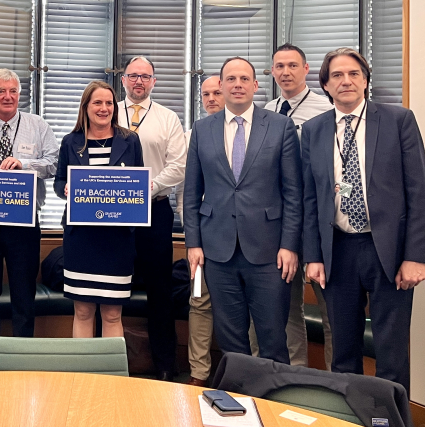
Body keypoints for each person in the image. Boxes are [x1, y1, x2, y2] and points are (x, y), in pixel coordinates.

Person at [302, 47, 425, 394]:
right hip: (337, 251)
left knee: (391, 353)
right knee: (343, 352)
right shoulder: (313, 130)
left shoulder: (398, 120)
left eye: (354, 74)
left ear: (366, 80)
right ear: (325, 85)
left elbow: (419, 190)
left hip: (388, 250)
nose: (346, 81)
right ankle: (349, 417)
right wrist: (313, 255)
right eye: (337, 75)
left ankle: (391, 420)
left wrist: (416, 256)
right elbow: (311, 198)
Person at [184, 57, 302, 364]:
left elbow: (293, 193)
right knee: (231, 340)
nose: (237, 84)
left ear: (255, 85)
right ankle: (239, 405)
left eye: (244, 79)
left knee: (272, 338)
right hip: (217, 250)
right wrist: (193, 244)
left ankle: (276, 405)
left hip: (269, 251)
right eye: (231, 79)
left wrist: (290, 245)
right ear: (220, 86)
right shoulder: (202, 129)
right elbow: (192, 192)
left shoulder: (280, 126)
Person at [0, 68, 58, 348]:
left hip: (24, 224)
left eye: (13, 91)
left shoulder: (38, 125)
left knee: (23, 292)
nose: (8, 97)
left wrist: (25, 164)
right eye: (1, 91)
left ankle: (22, 355)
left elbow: (54, 163)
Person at [260, 43, 334, 369]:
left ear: (306, 69)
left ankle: (337, 385)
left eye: (292, 66)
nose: (285, 72)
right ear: (272, 71)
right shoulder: (266, 111)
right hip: (281, 225)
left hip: (319, 223)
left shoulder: (325, 110)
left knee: (331, 310)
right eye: (279, 66)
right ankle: (296, 379)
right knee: (286, 310)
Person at [55, 81, 143, 338]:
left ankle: (109, 377)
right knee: (82, 311)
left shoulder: (130, 140)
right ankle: (82, 376)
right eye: (97, 103)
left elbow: (138, 181)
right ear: (86, 107)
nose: (104, 108)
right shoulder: (71, 141)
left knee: (113, 313)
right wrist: (66, 190)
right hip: (81, 239)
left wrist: (140, 189)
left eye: (109, 103)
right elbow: (59, 182)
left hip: (117, 240)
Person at [116, 56, 186, 380]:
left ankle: (165, 368)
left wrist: (148, 187)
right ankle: (111, 364)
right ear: (123, 80)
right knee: (112, 289)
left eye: (145, 76)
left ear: (154, 81)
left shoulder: (168, 118)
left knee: (160, 292)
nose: (139, 82)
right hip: (112, 213)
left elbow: (179, 166)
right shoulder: (107, 111)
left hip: (154, 211)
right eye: (133, 76)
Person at [177, 74, 224, 386]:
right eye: (205, 94)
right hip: (201, 239)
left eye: (216, 92)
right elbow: (187, 192)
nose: (210, 99)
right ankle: (198, 373)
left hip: (240, 238)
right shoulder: (195, 133)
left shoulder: (258, 128)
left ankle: (243, 372)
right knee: (198, 301)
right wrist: (191, 235)